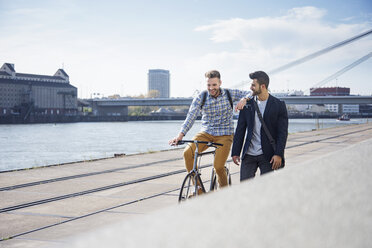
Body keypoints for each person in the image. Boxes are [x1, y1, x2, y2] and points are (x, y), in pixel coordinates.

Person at [169, 70, 251, 189]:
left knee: (218, 167)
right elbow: (190, 117)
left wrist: (244, 99)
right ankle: (198, 189)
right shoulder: (201, 97)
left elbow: (250, 92)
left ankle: (224, 194)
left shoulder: (229, 93)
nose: (211, 88)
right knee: (187, 153)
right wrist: (180, 136)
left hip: (225, 135)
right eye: (208, 85)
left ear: (220, 83)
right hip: (206, 133)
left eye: (214, 85)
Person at [231, 71, 288, 181]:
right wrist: (235, 152)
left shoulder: (279, 105)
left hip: (268, 155)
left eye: (253, 85)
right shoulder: (247, 104)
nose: (250, 87)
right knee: (244, 188)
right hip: (248, 154)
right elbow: (240, 130)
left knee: (266, 190)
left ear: (262, 86)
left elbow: (282, 133)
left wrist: (278, 154)